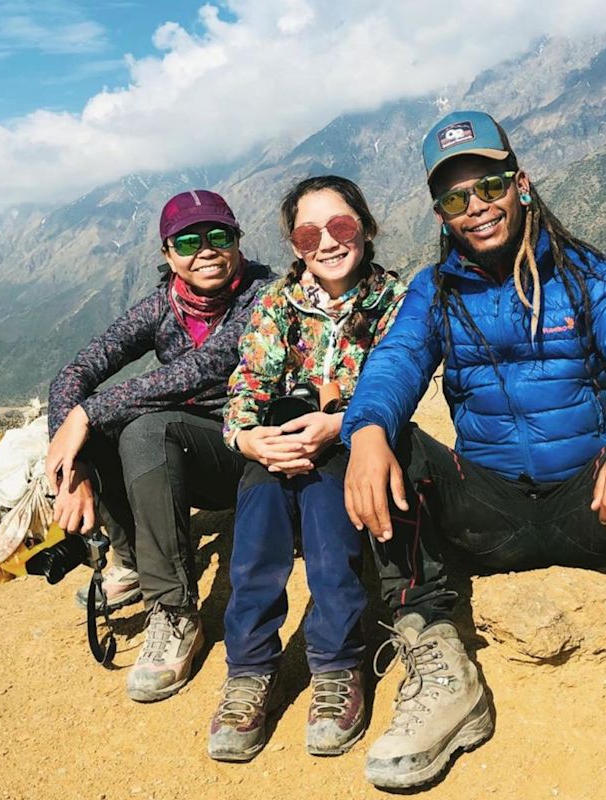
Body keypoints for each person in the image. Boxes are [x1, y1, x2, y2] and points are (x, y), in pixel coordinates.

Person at [341, 111, 606, 799]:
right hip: (489, 511)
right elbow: (396, 361)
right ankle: (438, 659)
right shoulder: (433, 292)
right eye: (454, 198)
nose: (476, 208)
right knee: (392, 447)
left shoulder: (589, 273)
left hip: (589, 506)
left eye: (490, 185)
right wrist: (367, 431)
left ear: (521, 184)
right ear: (440, 213)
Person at [206, 176, 406, 762]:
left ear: (366, 229)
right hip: (281, 443)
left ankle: (338, 663)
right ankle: (249, 670)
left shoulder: (396, 301)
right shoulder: (277, 304)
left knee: (326, 508)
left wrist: (338, 421)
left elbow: (401, 379)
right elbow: (246, 386)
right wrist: (252, 440)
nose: (327, 242)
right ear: (295, 245)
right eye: (308, 232)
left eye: (342, 226)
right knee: (260, 499)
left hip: (353, 441)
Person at [45, 189, 273, 702]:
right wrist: (73, 462)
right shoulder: (162, 306)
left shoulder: (264, 297)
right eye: (189, 241)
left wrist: (88, 413)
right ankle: (132, 561)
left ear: (237, 241)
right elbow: (75, 372)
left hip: (245, 454)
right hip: (179, 453)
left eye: (220, 236)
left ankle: (174, 610)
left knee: (139, 424)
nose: (206, 250)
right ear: (168, 254)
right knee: (103, 423)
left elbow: (202, 367)